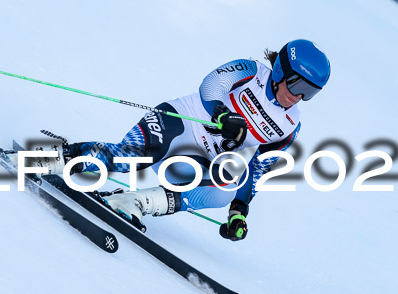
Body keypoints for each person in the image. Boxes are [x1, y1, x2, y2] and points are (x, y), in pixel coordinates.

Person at [36, 39, 331, 241]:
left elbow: (256, 170)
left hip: (195, 161)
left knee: (224, 192)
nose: (299, 96)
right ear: (281, 70)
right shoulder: (252, 70)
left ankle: (133, 202)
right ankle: (50, 158)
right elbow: (211, 84)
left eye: (310, 92)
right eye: (298, 84)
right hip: (177, 122)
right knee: (130, 158)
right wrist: (220, 113)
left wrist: (238, 212)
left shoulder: (288, 125)